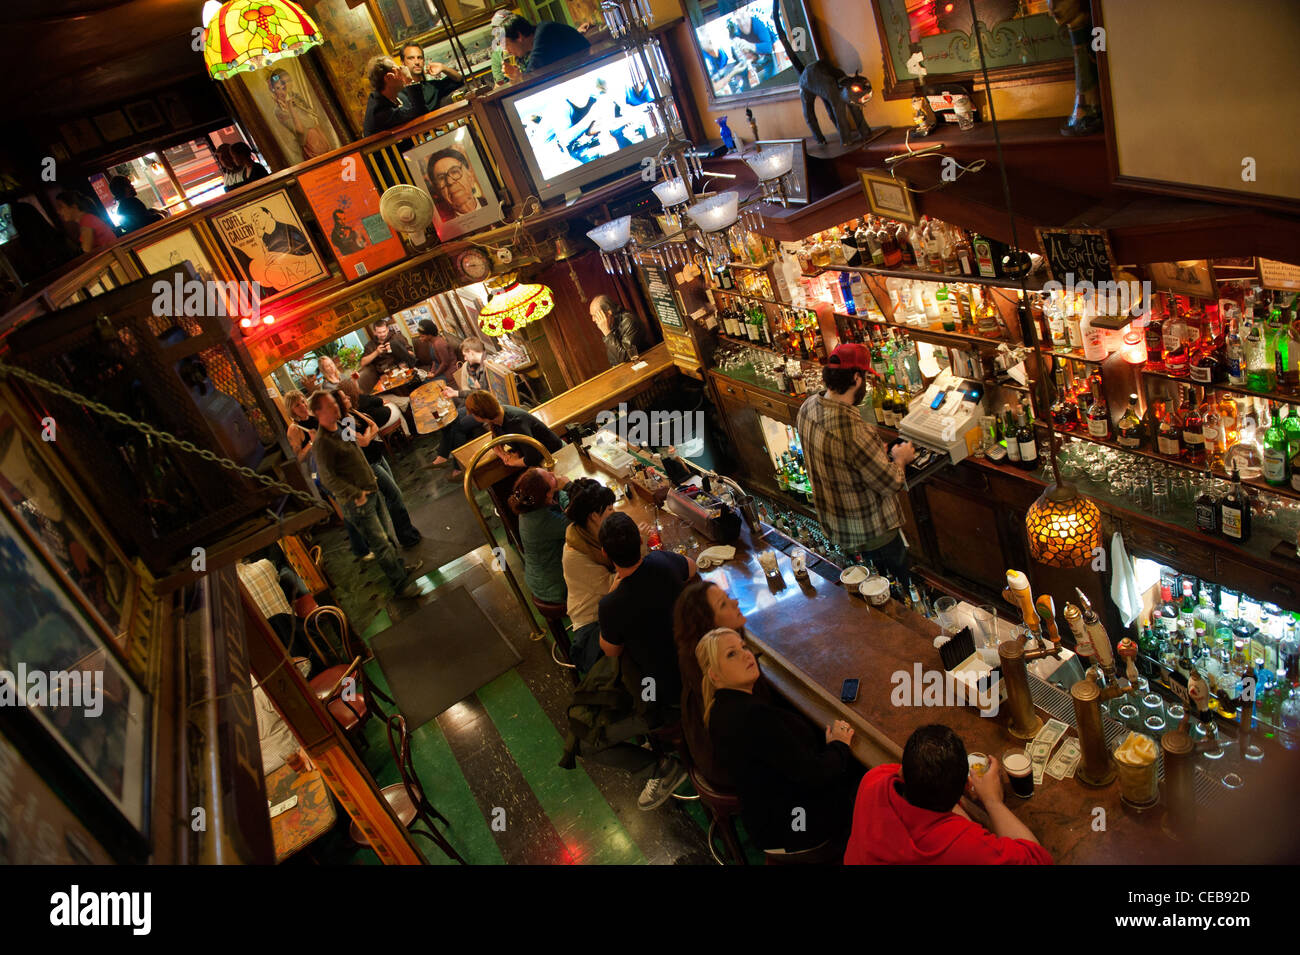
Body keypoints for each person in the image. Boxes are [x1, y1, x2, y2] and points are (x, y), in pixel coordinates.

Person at [698, 627, 862, 852]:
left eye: (743, 647)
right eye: (731, 654)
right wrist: (839, 745)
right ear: (714, 676)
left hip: (768, 826)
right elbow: (814, 774)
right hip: (798, 830)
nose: (746, 654)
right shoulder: (753, 715)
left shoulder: (718, 709)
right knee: (870, 778)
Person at [596, 512, 695, 809]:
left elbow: (610, 650)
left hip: (669, 701)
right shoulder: (662, 562)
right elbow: (690, 567)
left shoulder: (611, 605)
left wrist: (613, 591)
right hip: (698, 672)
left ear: (605, 553)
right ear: (640, 541)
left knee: (588, 741)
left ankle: (661, 768)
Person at [844, 724, 1053, 865]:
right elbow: (1037, 859)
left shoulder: (873, 779)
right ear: (964, 787)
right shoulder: (960, 843)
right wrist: (992, 800)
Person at [797, 343, 915, 588]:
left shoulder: (808, 407)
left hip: (838, 527)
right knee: (895, 588)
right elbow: (891, 483)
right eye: (866, 378)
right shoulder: (854, 430)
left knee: (862, 583)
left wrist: (871, 454)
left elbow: (842, 459)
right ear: (856, 378)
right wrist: (900, 458)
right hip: (874, 535)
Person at [308, 391, 424, 598]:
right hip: (357, 501)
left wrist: (370, 478)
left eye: (335, 402)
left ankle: (399, 569)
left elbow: (356, 452)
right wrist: (356, 493)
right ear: (318, 413)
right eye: (329, 405)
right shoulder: (322, 443)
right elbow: (328, 479)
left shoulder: (341, 428)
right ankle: (400, 585)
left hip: (370, 488)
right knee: (380, 543)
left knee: (386, 537)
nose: (336, 406)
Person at [672, 579, 758, 789]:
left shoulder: (713, 649)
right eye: (723, 604)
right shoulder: (714, 670)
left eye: (728, 597)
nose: (735, 602)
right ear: (710, 625)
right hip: (731, 769)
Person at [333, 390, 423, 548]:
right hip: (368, 465)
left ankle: (406, 533)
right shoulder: (342, 424)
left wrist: (368, 433)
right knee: (394, 494)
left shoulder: (353, 412)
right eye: (344, 398)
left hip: (378, 456)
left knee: (392, 496)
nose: (348, 398)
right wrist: (368, 433)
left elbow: (374, 426)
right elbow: (362, 442)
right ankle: (406, 536)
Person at [561, 477, 616, 673]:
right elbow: (612, 586)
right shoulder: (575, 553)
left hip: (606, 606)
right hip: (592, 623)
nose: (614, 512)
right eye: (609, 509)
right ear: (594, 516)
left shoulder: (588, 533)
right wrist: (639, 549)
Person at [510, 467, 570, 604]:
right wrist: (567, 487)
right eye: (551, 477)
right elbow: (577, 519)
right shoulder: (541, 521)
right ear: (547, 494)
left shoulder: (528, 505)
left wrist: (557, 489)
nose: (552, 473)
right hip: (554, 587)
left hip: (538, 577)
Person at [464, 390, 562, 469]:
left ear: (481, 415)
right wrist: (503, 456)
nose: (472, 417)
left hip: (554, 455)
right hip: (538, 456)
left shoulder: (514, 422)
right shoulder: (496, 418)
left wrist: (513, 462)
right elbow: (495, 442)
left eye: (473, 414)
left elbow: (533, 458)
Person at [267, 67, 333, 161]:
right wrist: (291, 109)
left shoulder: (297, 98)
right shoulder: (279, 110)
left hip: (320, 139)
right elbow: (300, 132)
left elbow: (313, 120)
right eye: (278, 88)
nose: (284, 89)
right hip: (310, 145)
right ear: (273, 90)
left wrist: (324, 139)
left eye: (288, 82)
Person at [501, 15, 590, 78]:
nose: (508, 51)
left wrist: (518, 76)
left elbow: (532, 75)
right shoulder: (541, 32)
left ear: (519, 36)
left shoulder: (545, 32)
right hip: (582, 72)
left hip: (590, 70)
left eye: (507, 45)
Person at [363, 55, 421, 137]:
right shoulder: (378, 110)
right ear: (389, 78)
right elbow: (419, 112)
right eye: (398, 69)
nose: (403, 70)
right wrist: (409, 81)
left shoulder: (398, 95)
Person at [400, 43, 464, 113]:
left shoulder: (432, 87)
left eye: (420, 58)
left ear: (424, 62)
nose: (417, 62)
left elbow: (459, 80)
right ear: (403, 62)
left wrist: (443, 68)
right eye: (411, 58)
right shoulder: (399, 92)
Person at [426, 148, 486, 220]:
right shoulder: (445, 227)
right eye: (441, 178)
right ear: (437, 190)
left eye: (454, 172)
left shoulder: (497, 206)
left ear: (470, 176)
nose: (450, 181)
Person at [358, 320, 415, 395]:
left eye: (384, 331)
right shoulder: (371, 345)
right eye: (379, 332)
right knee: (395, 388)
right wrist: (376, 352)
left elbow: (412, 354)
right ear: (374, 332)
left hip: (402, 368)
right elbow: (362, 363)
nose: (382, 334)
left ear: (387, 329)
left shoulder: (397, 337)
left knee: (406, 384)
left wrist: (396, 348)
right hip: (386, 374)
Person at [589, 295, 648, 366]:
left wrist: (607, 333)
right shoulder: (610, 324)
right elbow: (614, 360)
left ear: (609, 312)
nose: (593, 319)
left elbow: (625, 357)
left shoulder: (628, 321)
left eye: (595, 315)